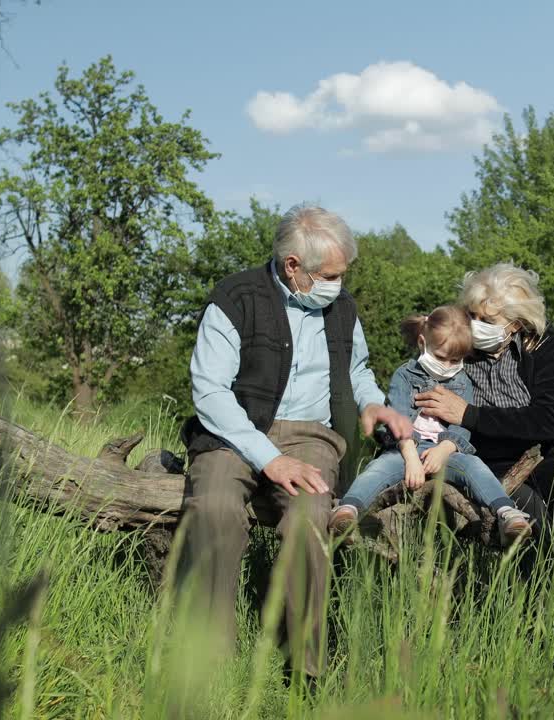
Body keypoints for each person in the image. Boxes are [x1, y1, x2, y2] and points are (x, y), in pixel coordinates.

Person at [177, 204, 414, 682]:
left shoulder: (342, 308)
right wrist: (269, 459)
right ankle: (207, 658)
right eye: (329, 275)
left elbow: (358, 369)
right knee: (215, 509)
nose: (338, 285)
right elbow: (209, 392)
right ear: (293, 267)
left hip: (310, 436)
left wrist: (372, 404)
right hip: (234, 433)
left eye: (342, 275)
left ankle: (304, 668)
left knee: (309, 520)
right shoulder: (235, 297)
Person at [413, 262, 554, 616]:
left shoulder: (546, 344)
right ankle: (539, 629)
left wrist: (470, 415)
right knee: (533, 541)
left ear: (516, 323)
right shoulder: (459, 347)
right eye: (472, 315)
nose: (476, 326)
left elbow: (551, 419)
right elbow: (427, 401)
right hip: (494, 464)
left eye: (487, 321)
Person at [328, 306, 533, 542]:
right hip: (405, 449)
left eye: (455, 360)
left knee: (475, 466)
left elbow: (461, 425)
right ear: (423, 343)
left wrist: (445, 449)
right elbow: (398, 418)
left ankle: (507, 512)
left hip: (445, 452)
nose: (447, 366)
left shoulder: (462, 380)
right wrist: (411, 458)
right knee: (377, 469)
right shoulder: (404, 376)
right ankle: (348, 508)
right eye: (441, 358)